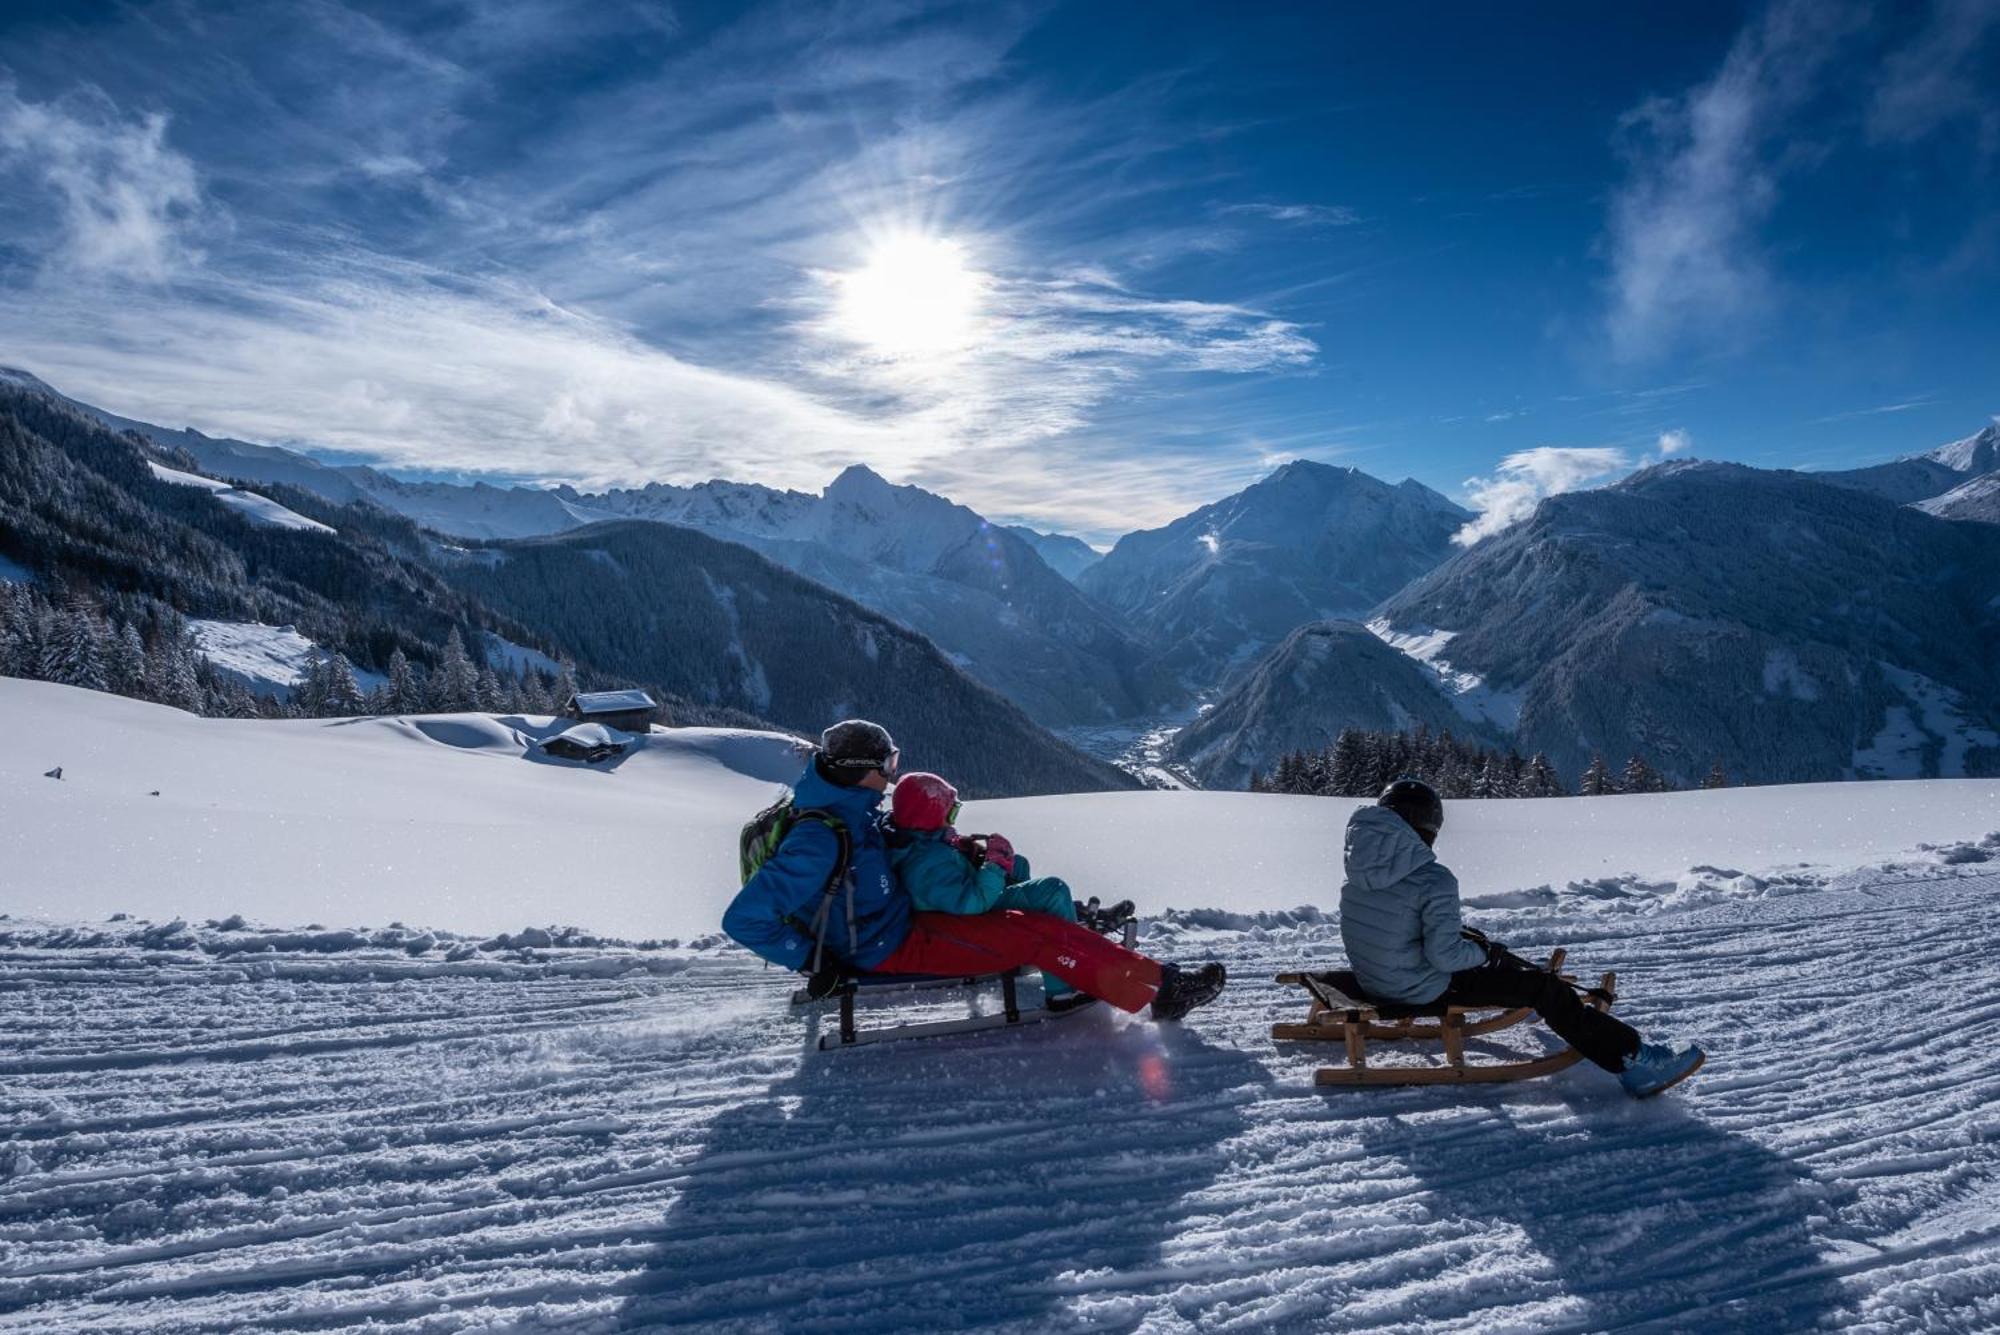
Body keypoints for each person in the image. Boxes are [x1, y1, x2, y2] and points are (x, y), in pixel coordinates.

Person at [722, 719, 1226, 1021]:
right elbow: (744, 919)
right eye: (888, 765)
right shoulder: (820, 838)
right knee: (1036, 937)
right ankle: (1160, 992)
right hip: (888, 946)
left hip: (905, 923)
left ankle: (1153, 979)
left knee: (1037, 926)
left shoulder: (847, 809)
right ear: (863, 773)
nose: (893, 772)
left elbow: (888, 848)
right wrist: (815, 964)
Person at [1339, 777, 1704, 1097]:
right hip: (1419, 988)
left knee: (1479, 950)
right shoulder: (1435, 879)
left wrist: (1474, 948)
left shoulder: (1357, 871)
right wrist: (1482, 955)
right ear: (1429, 825)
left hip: (1376, 980)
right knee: (1544, 989)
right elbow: (1445, 957)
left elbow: (1399, 924)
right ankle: (1633, 1061)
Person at [884, 770, 1129, 1012]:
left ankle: (1042, 938)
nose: (953, 818)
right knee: (1053, 890)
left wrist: (966, 851)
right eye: (951, 812)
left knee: (1018, 865)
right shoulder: (925, 863)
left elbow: (950, 876)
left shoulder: (920, 844)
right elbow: (972, 903)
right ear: (931, 813)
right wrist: (993, 867)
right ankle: (1065, 988)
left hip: (962, 910)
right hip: (967, 921)